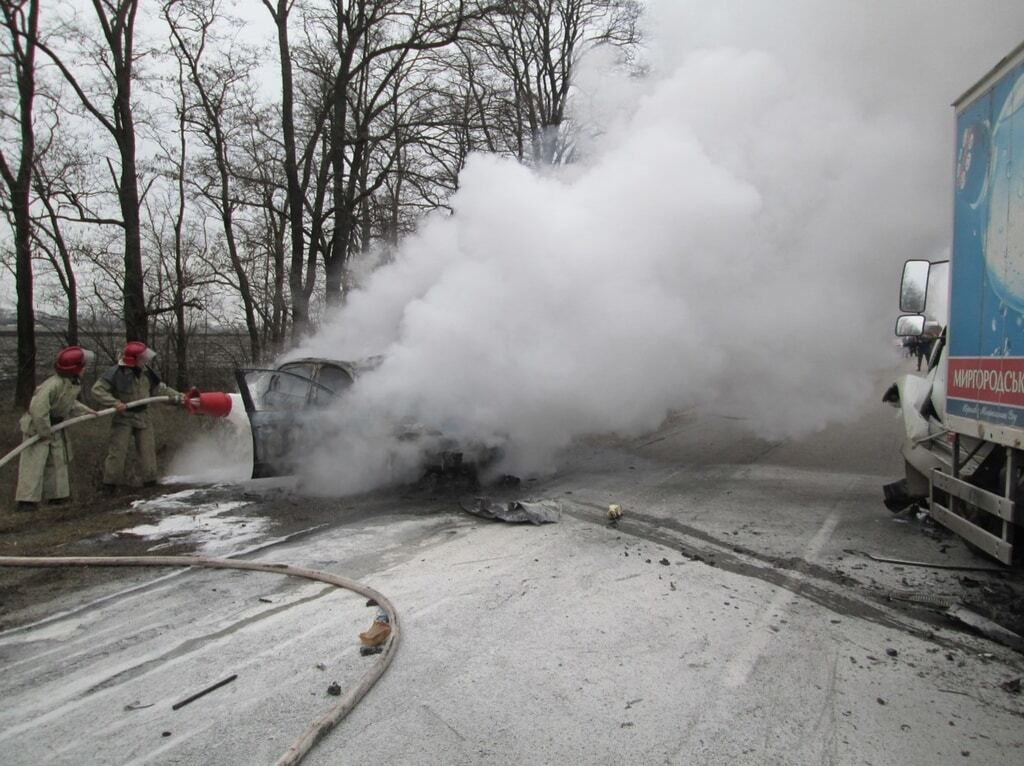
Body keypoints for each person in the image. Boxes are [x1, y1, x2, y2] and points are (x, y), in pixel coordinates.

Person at [91, 341, 184, 490]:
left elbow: (160, 390)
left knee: (148, 451)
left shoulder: (146, 372)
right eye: (142, 358)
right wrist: (114, 402)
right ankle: (109, 486)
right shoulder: (116, 373)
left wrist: (180, 397)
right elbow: (97, 390)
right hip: (124, 418)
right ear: (133, 360)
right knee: (117, 452)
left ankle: (150, 483)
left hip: (143, 416)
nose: (145, 361)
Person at [15, 347, 99, 512]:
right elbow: (39, 410)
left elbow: (68, 402)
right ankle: (26, 502)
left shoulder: (71, 383)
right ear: (75, 368)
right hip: (38, 429)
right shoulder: (53, 385)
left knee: (58, 462)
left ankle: (57, 497)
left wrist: (85, 410)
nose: (85, 368)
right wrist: (44, 432)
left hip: (56, 427)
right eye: (83, 366)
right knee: (34, 464)